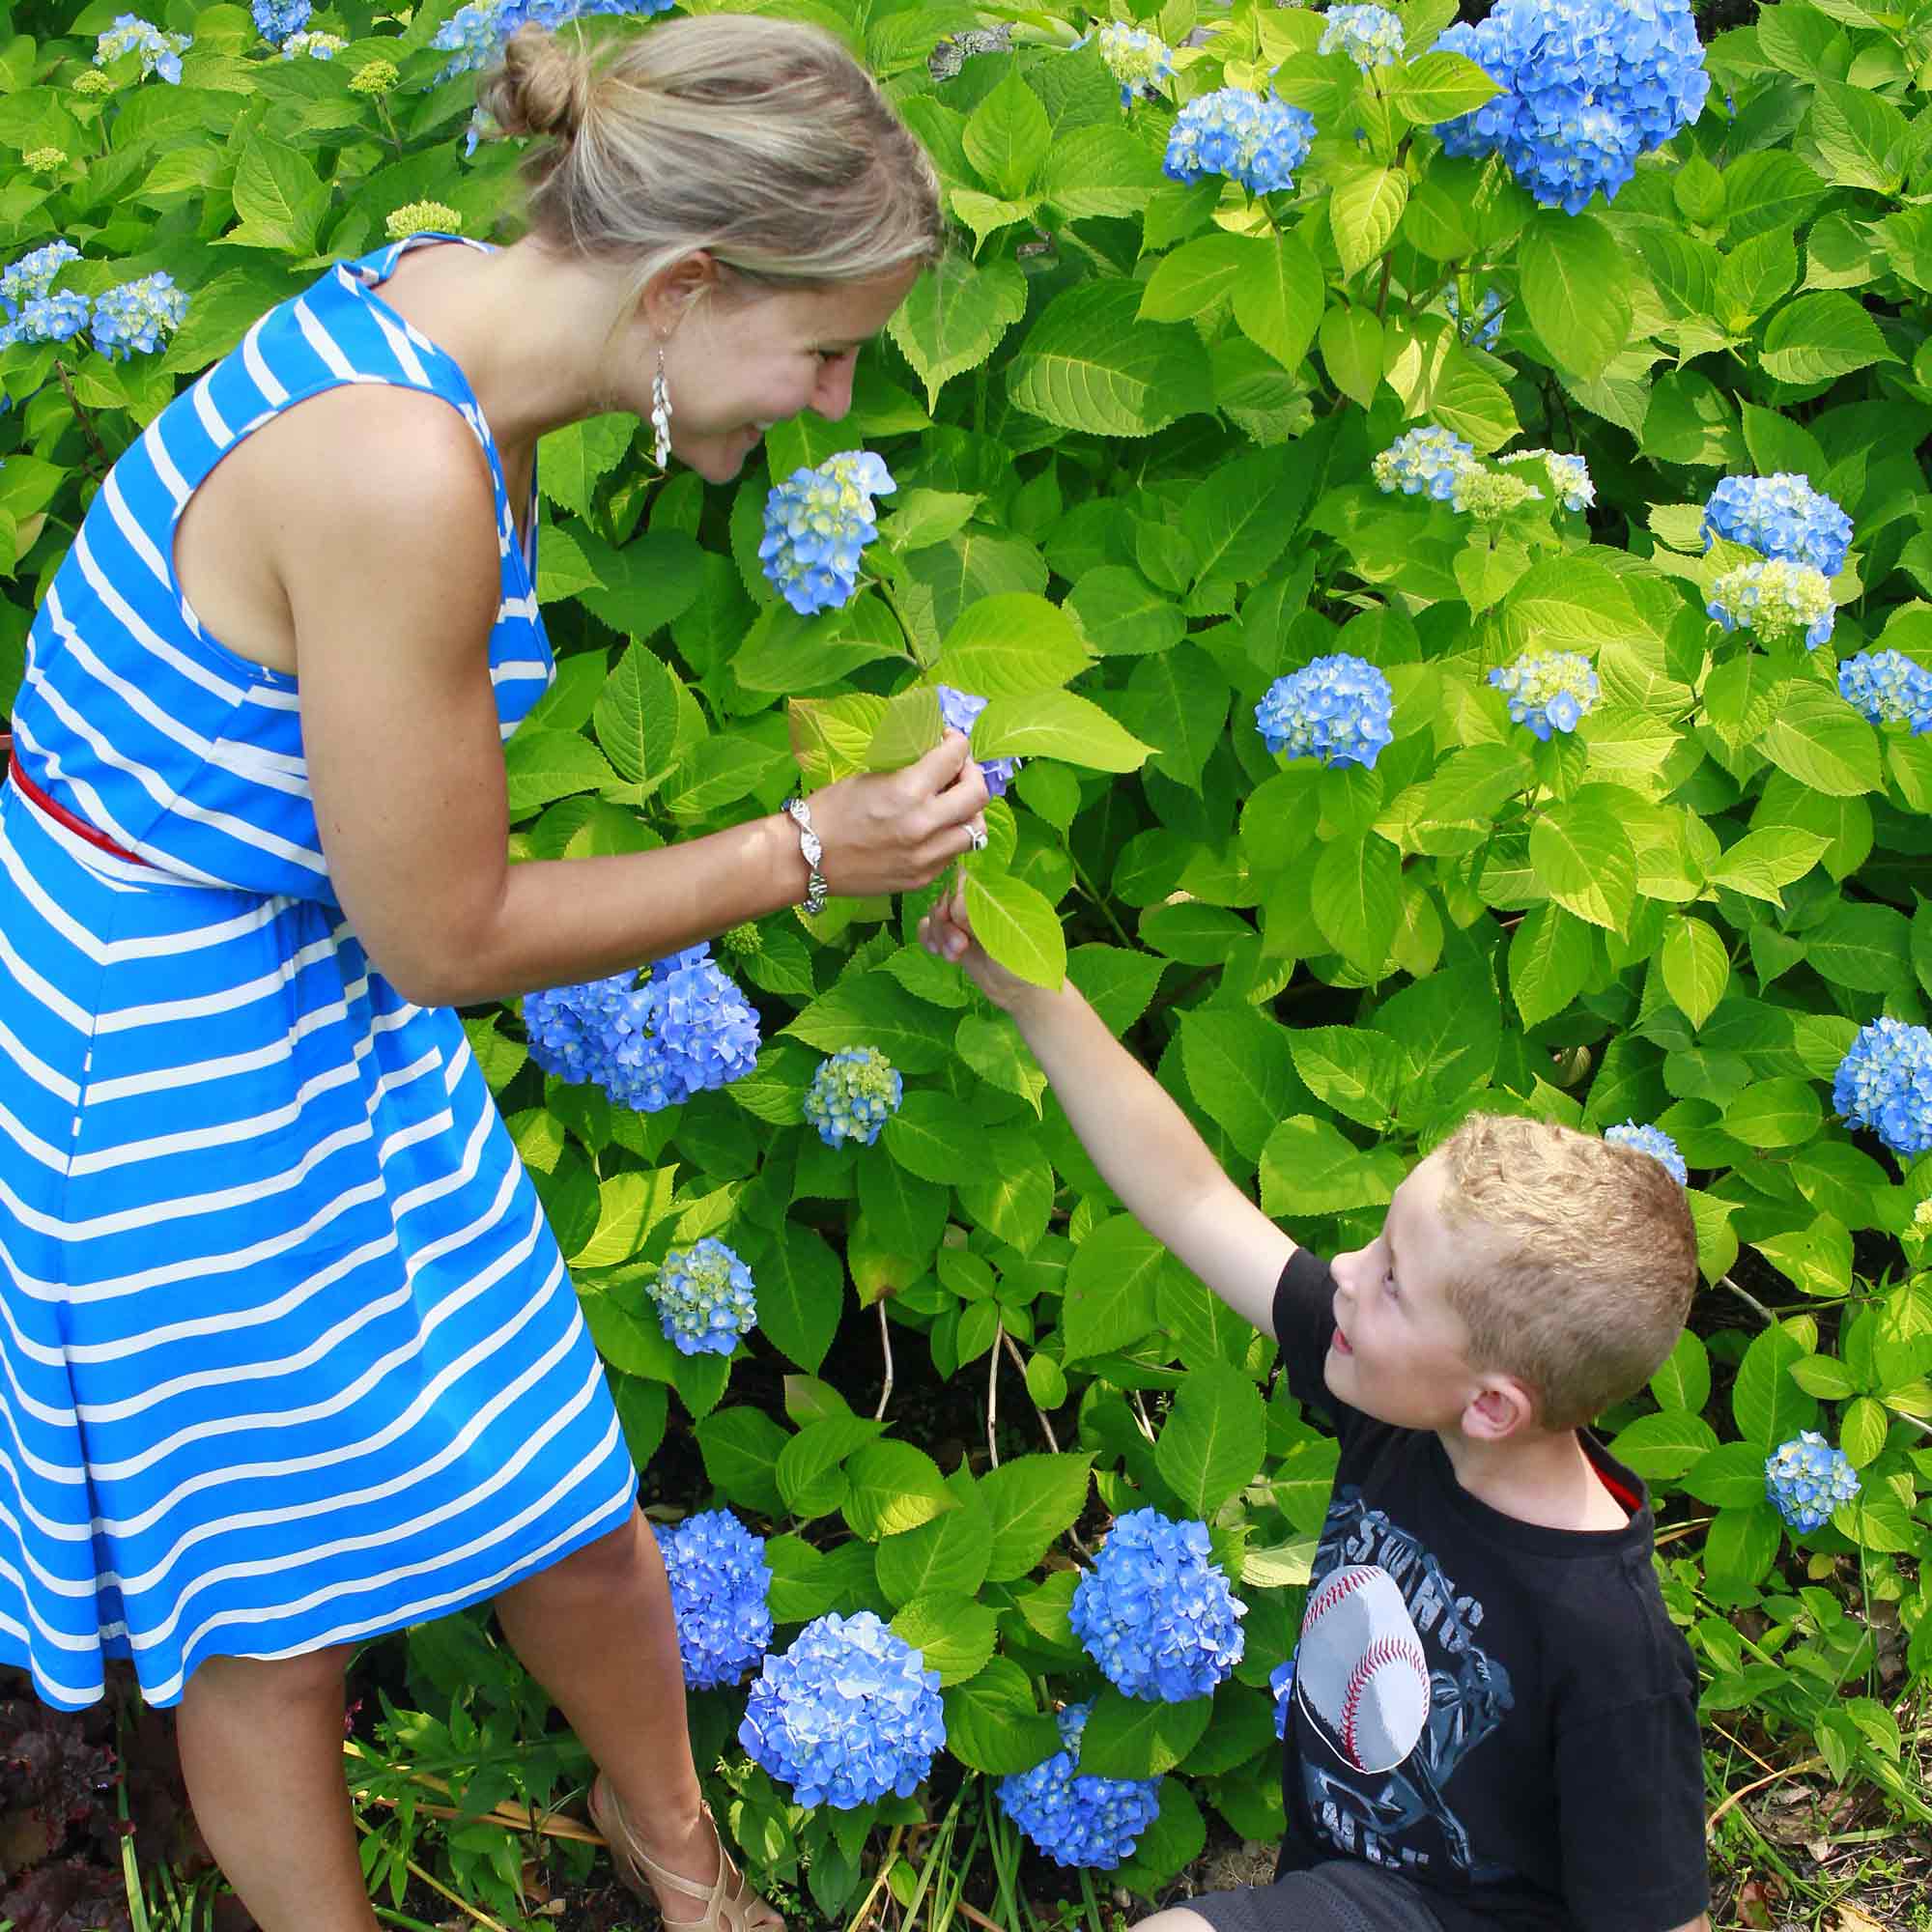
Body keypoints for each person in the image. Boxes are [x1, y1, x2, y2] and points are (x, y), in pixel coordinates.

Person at [0, 15, 984, 1932]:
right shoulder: (395, 466)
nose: (837, 397)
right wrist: (801, 855)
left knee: (561, 1490)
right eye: (828, 345)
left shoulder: (461, 314)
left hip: (304, 974)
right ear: (687, 286)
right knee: (267, 1622)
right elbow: (443, 934)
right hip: (168, 1027)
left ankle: (679, 1867)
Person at [919, 891, 1713, 1932]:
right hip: (1352, 1890)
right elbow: (1192, 1198)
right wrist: (1038, 995)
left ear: (1491, 1402)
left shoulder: (1609, 1646)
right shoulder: (1402, 1403)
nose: (1343, 1270)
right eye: (1376, 1245)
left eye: (1389, 1279)